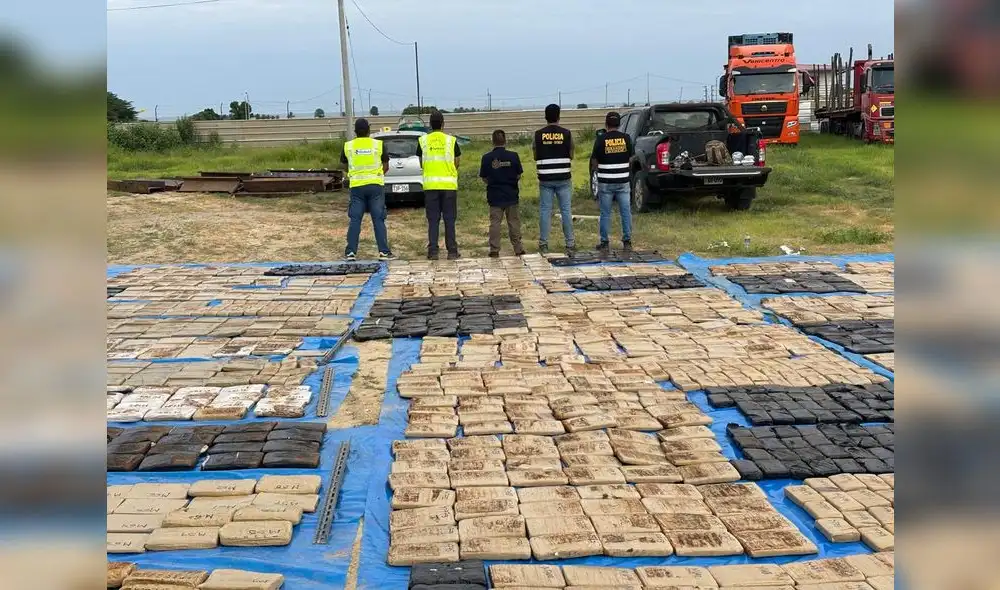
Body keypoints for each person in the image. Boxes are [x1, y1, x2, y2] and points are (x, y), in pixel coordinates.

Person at [340, 118, 393, 261]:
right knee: (378, 219)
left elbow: (345, 166)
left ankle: (351, 252)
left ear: (355, 131)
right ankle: (383, 252)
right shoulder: (378, 145)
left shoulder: (348, 146)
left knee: (355, 219)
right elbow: (386, 166)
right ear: (369, 130)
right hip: (375, 186)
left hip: (357, 187)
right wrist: (376, 175)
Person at [417, 110, 462, 260]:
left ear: (430, 124)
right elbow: (457, 162)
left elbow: (421, 163)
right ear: (443, 124)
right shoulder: (451, 141)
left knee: (433, 220)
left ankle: (433, 251)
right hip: (449, 187)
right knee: (449, 219)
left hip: (430, 187)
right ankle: (452, 251)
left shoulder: (422, 141)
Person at [533, 103, 576, 255]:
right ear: (559, 116)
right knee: (566, 210)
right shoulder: (567, 133)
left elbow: (535, 155)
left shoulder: (538, 134)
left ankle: (544, 244)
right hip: (564, 177)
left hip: (545, 178)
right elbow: (571, 154)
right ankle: (570, 243)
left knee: (545, 210)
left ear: (545, 117)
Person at [590, 111, 635, 252]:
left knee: (605, 213)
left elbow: (594, 160)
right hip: (623, 181)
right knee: (626, 212)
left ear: (606, 124)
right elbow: (630, 157)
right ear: (619, 124)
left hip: (605, 182)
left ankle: (604, 242)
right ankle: (627, 241)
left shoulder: (601, 139)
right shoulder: (626, 138)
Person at [479, 129, 526, 258]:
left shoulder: (486, 158)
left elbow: (484, 177)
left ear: (492, 141)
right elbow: (518, 175)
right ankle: (518, 248)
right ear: (505, 140)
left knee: (495, 223)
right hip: (511, 194)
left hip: (494, 195)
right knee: (513, 222)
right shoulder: (513, 156)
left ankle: (494, 249)